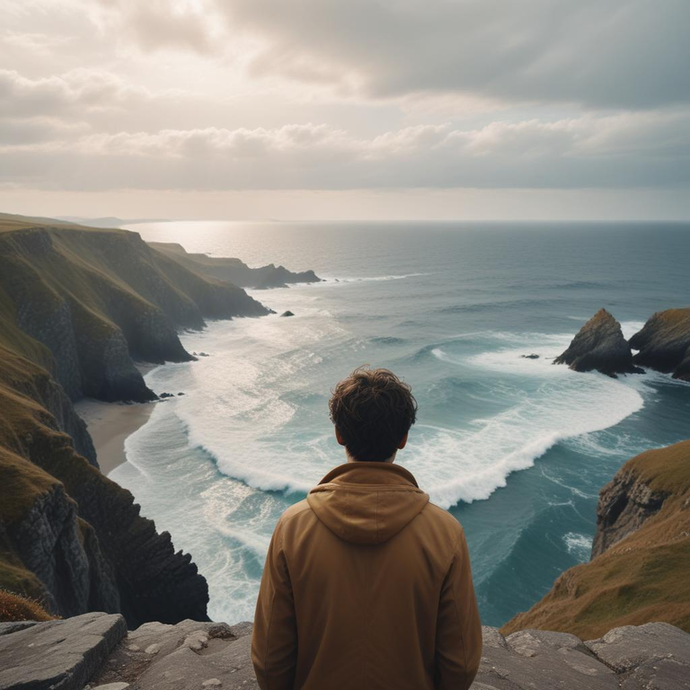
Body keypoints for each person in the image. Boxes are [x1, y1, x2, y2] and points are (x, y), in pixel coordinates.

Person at [252, 366, 482, 690]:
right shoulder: (446, 533)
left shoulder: (292, 528)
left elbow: (269, 660)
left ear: (339, 435)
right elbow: (460, 664)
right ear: (403, 438)